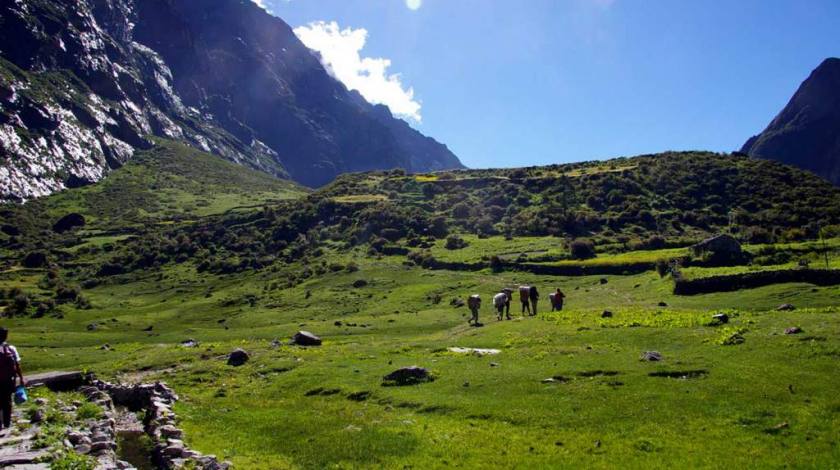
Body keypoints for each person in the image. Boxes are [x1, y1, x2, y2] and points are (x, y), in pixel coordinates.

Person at [0, 328, 24, 434]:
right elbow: (17, 365)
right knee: (7, 400)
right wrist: (21, 378)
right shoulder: (11, 348)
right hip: (9, 379)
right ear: (6, 336)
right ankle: (7, 423)